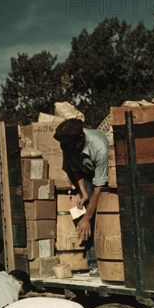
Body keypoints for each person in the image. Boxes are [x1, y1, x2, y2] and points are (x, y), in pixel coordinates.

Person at [53, 118, 109, 276]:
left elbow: (100, 187)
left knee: (95, 217)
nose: (69, 150)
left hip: (104, 178)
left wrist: (87, 218)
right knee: (85, 212)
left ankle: (102, 261)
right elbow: (76, 170)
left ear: (81, 138)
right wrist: (84, 193)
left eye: (72, 147)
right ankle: (92, 263)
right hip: (87, 176)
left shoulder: (99, 148)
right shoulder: (69, 146)